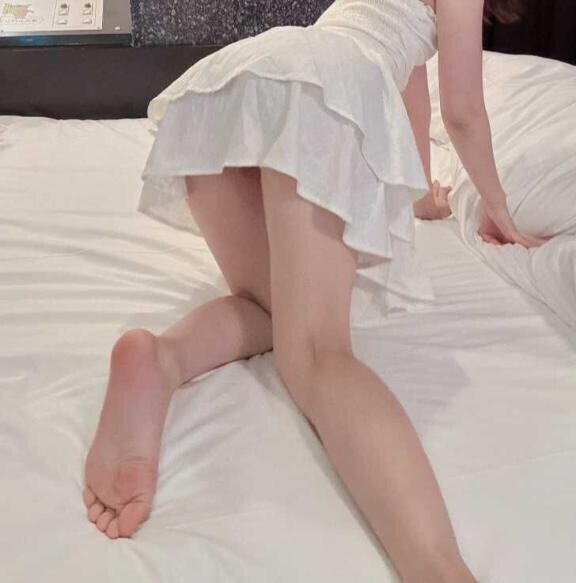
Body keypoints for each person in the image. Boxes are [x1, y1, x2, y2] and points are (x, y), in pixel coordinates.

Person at [83, 1, 548, 581]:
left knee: (271, 308)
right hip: (321, 92)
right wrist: (498, 208)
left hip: (248, 78)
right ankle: (438, 568)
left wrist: (421, 196)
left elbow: (412, 94)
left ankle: (163, 359)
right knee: (317, 354)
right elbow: (462, 110)